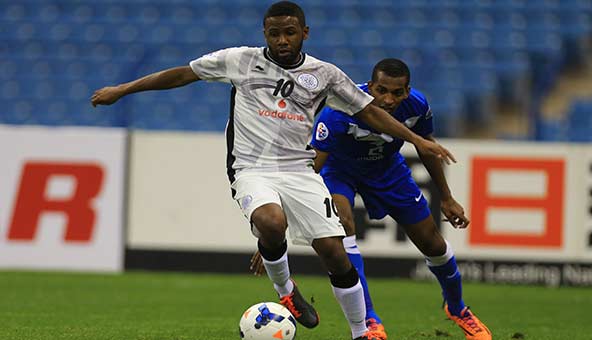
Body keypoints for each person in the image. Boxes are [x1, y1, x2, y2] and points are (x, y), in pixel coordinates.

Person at [90, 2, 455, 340]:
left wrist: (416, 140)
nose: (282, 40)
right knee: (270, 222)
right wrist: (122, 89)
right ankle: (287, 292)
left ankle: (361, 332)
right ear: (265, 33)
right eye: (274, 33)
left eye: (290, 32)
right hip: (251, 168)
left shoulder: (324, 74)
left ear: (304, 33)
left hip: (299, 170)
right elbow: (182, 74)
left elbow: (368, 110)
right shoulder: (239, 60)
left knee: (334, 251)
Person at [253, 58, 492, 340]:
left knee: (433, 244)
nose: (389, 99)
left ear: (408, 90)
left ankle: (458, 309)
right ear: (370, 86)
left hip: (388, 171)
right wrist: (276, 233)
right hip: (340, 172)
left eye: (397, 92)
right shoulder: (339, 110)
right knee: (344, 224)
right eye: (382, 90)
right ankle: (369, 322)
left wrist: (447, 198)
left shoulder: (417, 105)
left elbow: (426, 148)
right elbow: (312, 168)